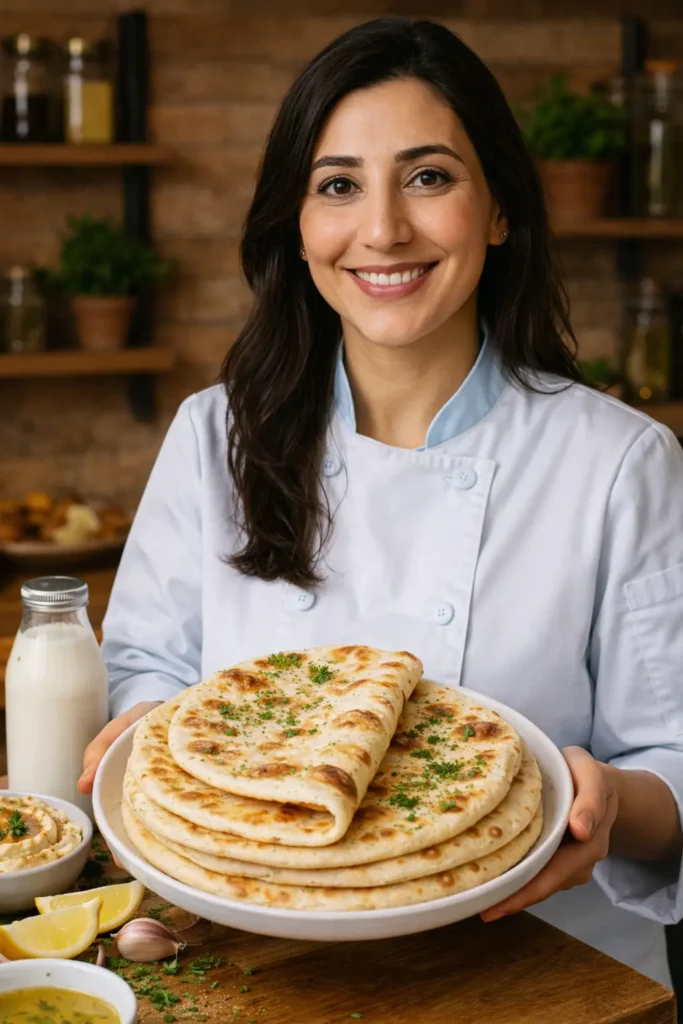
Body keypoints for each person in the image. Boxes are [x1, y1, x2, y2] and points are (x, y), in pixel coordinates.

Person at [79, 17, 683, 987]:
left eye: (429, 176)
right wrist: (151, 737)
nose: (382, 229)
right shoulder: (213, 436)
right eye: (337, 185)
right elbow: (148, 670)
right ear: (298, 223)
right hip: (259, 961)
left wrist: (607, 798)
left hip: (547, 973)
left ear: (496, 209)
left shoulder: (621, 462)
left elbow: (672, 756)